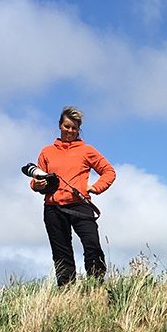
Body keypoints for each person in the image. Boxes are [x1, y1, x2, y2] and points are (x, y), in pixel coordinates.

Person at [31, 106, 117, 286]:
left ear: (78, 129)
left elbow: (109, 171)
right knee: (61, 253)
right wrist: (37, 185)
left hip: (80, 205)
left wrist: (95, 188)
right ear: (60, 126)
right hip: (53, 208)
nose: (70, 131)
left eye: (74, 128)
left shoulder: (87, 150)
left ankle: (96, 285)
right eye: (67, 126)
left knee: (92, 245)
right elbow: (37, 179)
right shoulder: (47, 151)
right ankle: (67, 293)